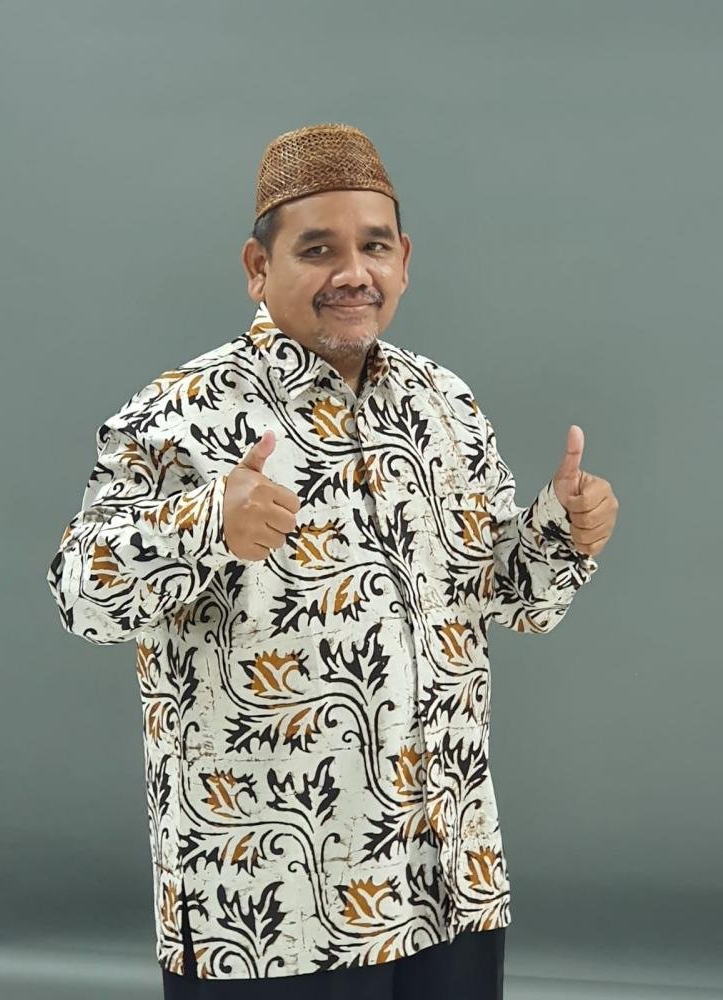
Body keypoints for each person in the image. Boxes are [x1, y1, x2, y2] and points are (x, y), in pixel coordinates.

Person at [46, 123, 618, 998]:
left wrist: (563, 532)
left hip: (446, 877)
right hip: (266, 909)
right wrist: (206, 523)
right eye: (318, 249)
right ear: (257, 267)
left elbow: (506, 597)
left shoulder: (444, 403)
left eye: (374, 246)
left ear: (404, 260)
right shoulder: (183, 412)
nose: (354, 272)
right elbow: (78, 595)